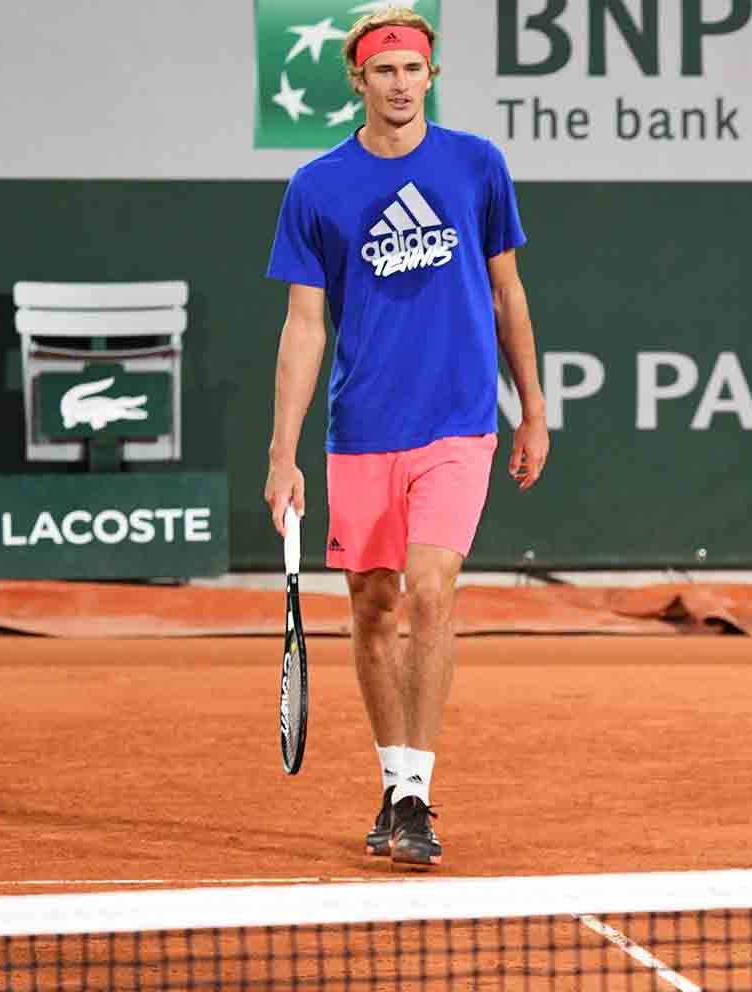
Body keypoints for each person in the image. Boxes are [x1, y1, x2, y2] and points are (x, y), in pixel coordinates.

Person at [262, 7, 548, 869]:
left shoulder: (475, 166)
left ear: (430, 76)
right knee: (372, 607)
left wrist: (530, 406)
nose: (399, 83)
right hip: (362, 431)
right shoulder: (316, 186)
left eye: (412, 70)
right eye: (383, 70)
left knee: (431, 590)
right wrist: (284, 450)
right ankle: (394, 781)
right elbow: (304, 327)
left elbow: (507, 293)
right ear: (359, 78)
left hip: (459, 422)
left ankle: (418, 789)